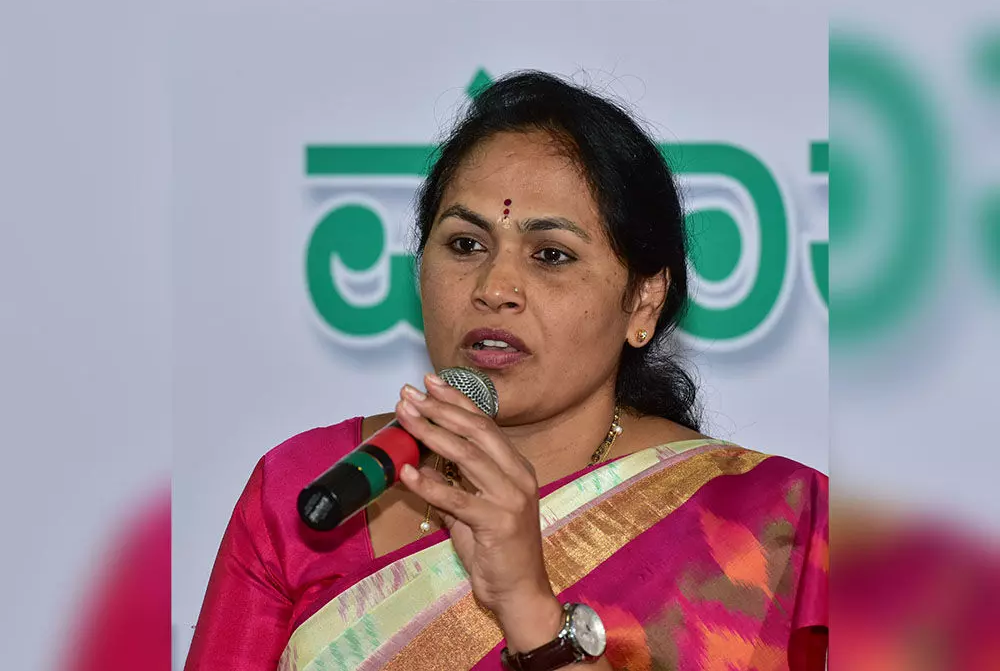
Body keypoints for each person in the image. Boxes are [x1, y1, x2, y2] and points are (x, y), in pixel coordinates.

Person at [184, 71, 828, 671]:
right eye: (466, 245)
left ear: (642, 301)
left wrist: (528, 606)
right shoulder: (308, 493)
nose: (494, 288)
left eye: (551, 255)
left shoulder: (767, 526)